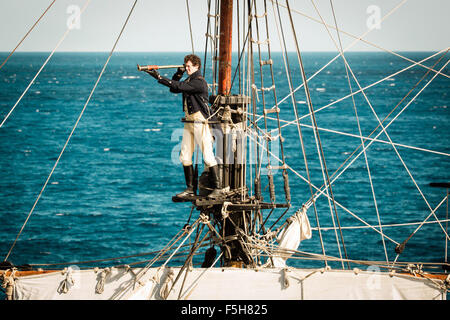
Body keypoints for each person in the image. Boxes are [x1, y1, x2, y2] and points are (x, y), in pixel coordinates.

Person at [146, 54, 224, 200]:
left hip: (201, 121)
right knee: (185, 155)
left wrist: (159, 77)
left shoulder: (199, 82)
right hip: (190, 121)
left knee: (207, 154)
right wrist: (178, 73)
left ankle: (218, 188)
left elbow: (178, 86)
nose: (186, 68)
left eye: (188, 66)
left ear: (196, 66)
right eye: (185, 66)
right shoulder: (189, 80)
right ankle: (190, 189)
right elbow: (174, 89)